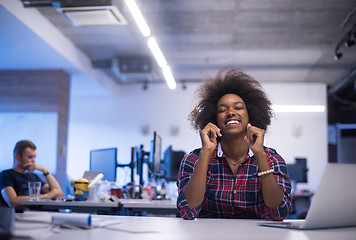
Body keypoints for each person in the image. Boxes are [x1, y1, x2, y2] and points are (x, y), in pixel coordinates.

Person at [177, 68, 292, 220]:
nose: (231, 112)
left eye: (238, 108)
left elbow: (279, 212)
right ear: (214, 119)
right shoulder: (194, 159)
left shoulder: (271, 158)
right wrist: (206, 151)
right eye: (222, 110)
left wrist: (259, 154)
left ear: (251, 115)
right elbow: (187, 211)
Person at [0, 140, 63, 207]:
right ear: (17, 157)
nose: (33, 160)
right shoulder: (6, 175)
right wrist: (47, 196)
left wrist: (45, 171)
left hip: (39, 213)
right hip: (21, 215)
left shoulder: (33, 176)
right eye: (30, 157)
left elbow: (58, 193)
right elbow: (13, 201)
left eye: (34, 157)